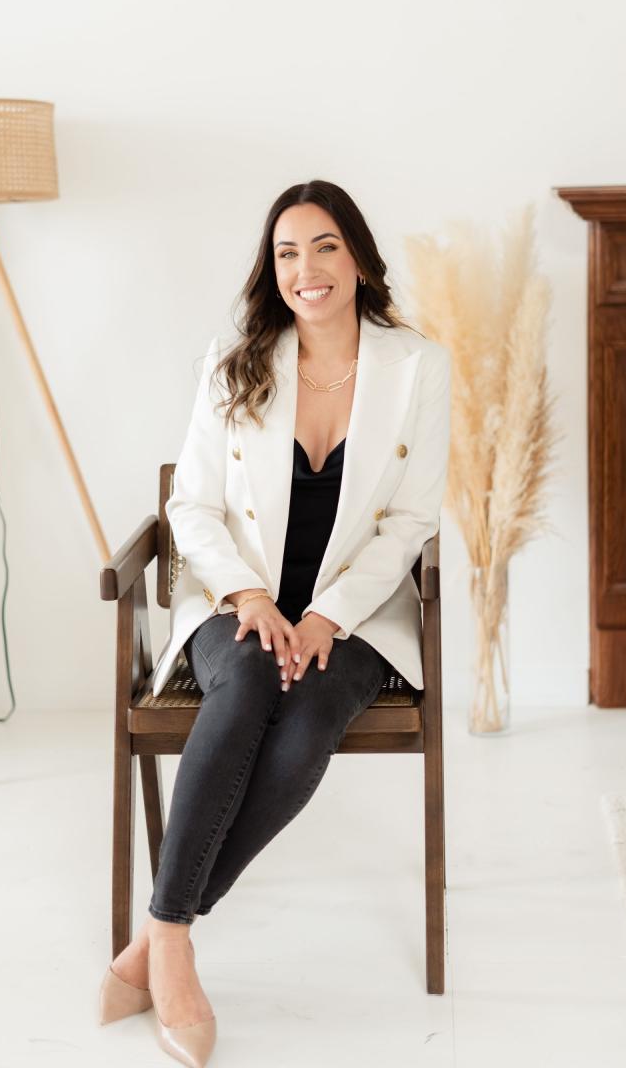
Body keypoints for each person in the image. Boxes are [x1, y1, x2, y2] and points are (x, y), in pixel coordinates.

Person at [98, 179, 451, 1065]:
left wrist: (328, 612)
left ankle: (154, 938)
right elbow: (193, 507)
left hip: (359, 611)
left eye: (325, 246)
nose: (307, 270)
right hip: (234, 600)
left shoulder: (418, 366)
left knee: (303, 730)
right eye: (288, 253)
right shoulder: (235, 363)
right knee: (250, 679)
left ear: (360, 259)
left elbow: (412, 521)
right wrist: (249, 598)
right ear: (272, 270)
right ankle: (174, 943)